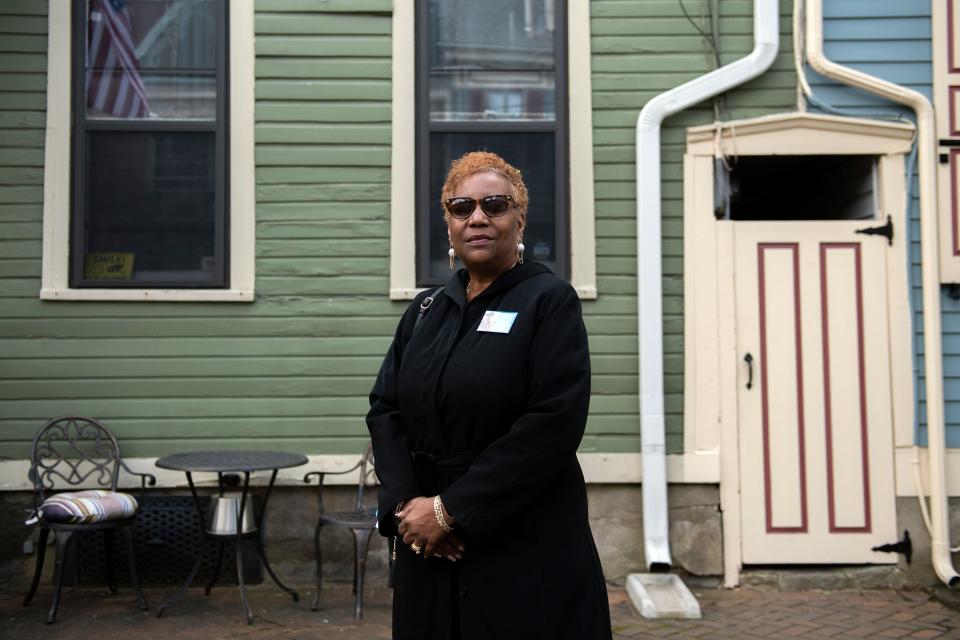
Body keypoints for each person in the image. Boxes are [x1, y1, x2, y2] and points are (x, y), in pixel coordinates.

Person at [367, 151, 612, 640]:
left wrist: (451, 510)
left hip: (520, 538)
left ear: (519, 220)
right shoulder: (425, 310)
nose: (477, 217)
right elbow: (386, 409)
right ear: (450, 224)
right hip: (427, 544)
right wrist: (409, 509)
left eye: (495, 205)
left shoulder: (548, 300)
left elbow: (553, 421)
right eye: (462, 207)